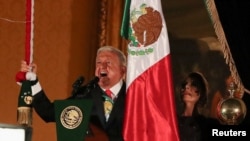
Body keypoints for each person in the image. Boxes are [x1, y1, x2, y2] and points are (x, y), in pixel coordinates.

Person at [19, 46, 127, 141]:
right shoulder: (85, 93)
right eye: (98, 62)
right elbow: (48, 112)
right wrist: (33, 80)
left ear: (123, 70)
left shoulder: (134, 96)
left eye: (108, 62)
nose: (102, 66)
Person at [177, 72, 220, 141]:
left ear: (201, 92)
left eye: (194, 84)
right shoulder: (173, 122)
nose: (186, 87)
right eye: (184, 84)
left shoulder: (208, 125)